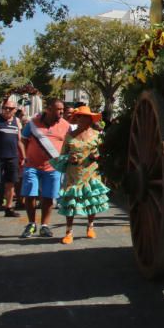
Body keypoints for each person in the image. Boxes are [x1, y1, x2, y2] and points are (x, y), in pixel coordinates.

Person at [56, 105, 110, 244]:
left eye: (86, 117)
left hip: (91, 172)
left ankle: (90, 226)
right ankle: (69, 231)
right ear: (77, 118)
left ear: (91, 119)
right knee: (71, 202)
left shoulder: (97, 136)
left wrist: (96, 156)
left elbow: (104, 154)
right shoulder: (70, 136)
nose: (82, 120)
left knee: (91, 199)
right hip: (73, 174)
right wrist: (69, 158)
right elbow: (61, 155)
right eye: (80, 117)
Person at [20, 97, 70, 238]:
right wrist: (24, 157)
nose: (61, 112)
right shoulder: (33, 124)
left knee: (48, 197)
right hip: (32, 165)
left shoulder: (65, 125)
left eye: (62, 110)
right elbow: (22, 141)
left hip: (53, 168)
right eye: (58, 110)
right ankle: (31, 224)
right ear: (48, 110)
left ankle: (45, 226)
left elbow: (72, 142)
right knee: (30, 195)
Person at [0, 97, 25, 216]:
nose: (8, 111)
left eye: (10, 109)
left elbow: (19, 140)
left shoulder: (16, 121)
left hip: (12, 156)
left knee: (11, 183)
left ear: (15, 110)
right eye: (5, 108)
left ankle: (8, 207)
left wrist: (24, 156)